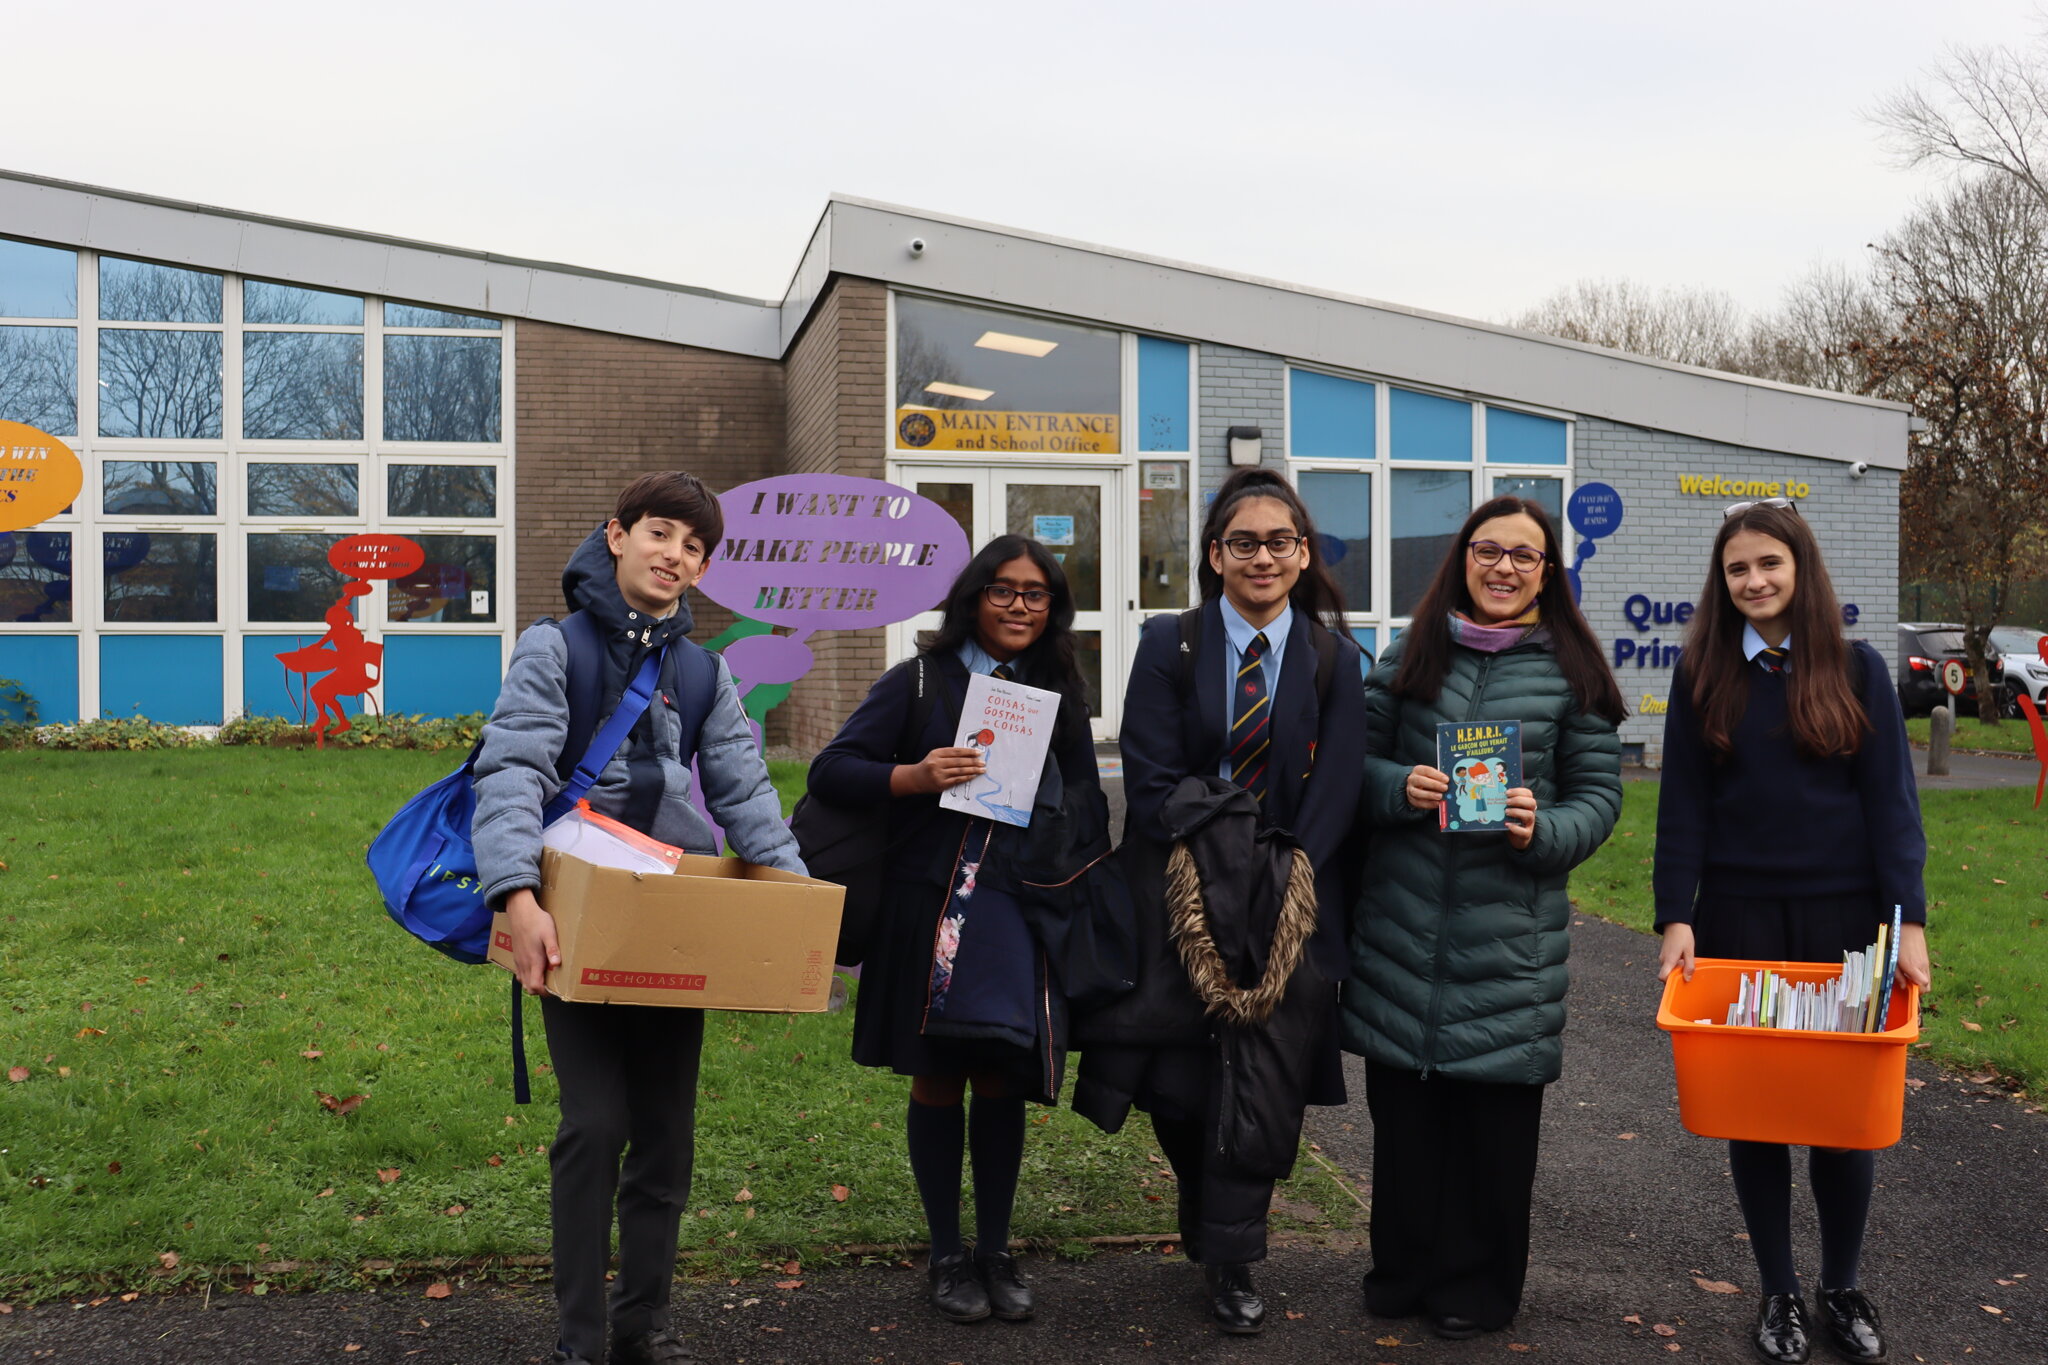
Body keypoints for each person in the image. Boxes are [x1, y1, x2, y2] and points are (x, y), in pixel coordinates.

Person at [473, 471, 805, 1365]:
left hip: (674, 922)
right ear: (616, 535)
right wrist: (517, 895)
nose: (676, 555)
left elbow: (747, 795)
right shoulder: (554, 648)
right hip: (572, 917)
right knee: (595, 1125)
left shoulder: (704, 672)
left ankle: (641, 1328)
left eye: (695, 547)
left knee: (665, 1138)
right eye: (662, 533)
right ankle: (579, 1339)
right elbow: (509, 773)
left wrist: (796, 910)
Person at [1073, 467, 1367, 1336]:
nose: (1264, 556)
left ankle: (1236, 1255)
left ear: (1304, 554)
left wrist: (1282, 871)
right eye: (1245, 542)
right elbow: (1156, 780)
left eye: (1281, 541)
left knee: (1261, 1079)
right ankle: (1204, 1212)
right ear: (1215, 555)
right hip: (1179, 890)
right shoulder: (1174, 643)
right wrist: (1234, 844)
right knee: (1174, 1077)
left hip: (1287, 902)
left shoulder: (1333, 658)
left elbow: (1338, 787)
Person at [1341, 495, 1625, 1342]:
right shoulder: (1408, 653)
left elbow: (1599, 797)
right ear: (1464, 559)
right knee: (1407, 1129)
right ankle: (1401, 1270)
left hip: (1511, 942)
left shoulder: (1576, 672)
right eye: (1488, 551)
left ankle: (1477, 1284)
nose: (1504, 568)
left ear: (1548, 573)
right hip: (1402, 932)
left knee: (1493, 1138)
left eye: (1524, 556)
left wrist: (1547, 828)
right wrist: (1398, 787)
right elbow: (1352, 763)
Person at [1653, 499, 1929, 1365]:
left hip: (1846, 925)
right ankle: (1778, 1292)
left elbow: (1892, 808)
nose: (1755, 580)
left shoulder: (1857, 668)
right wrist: (1675, 916)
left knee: (1843, 1116)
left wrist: (1909, 922)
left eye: (1769, 563)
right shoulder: (1702, 673)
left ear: (1801, 569)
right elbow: (1681, 811)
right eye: (1738, 568)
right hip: (1738, 923)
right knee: (1759, 1113)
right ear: (1722, 580)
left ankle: (1840, 1285)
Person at [808, 534, 1101, 1326]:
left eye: (1035, 594)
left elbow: (1088, 805)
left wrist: (1064, 842)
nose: (1017, 605)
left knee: (1003, 1072)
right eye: (1002, 590)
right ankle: (946, 1253)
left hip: (1016, 906)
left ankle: (997, 1249)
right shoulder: (919, 680)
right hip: (926, 905)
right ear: (973, 596)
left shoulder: (1058, 691)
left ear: (1053, 608)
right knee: (937, 1076)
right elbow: (830, 771)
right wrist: (914, 775)